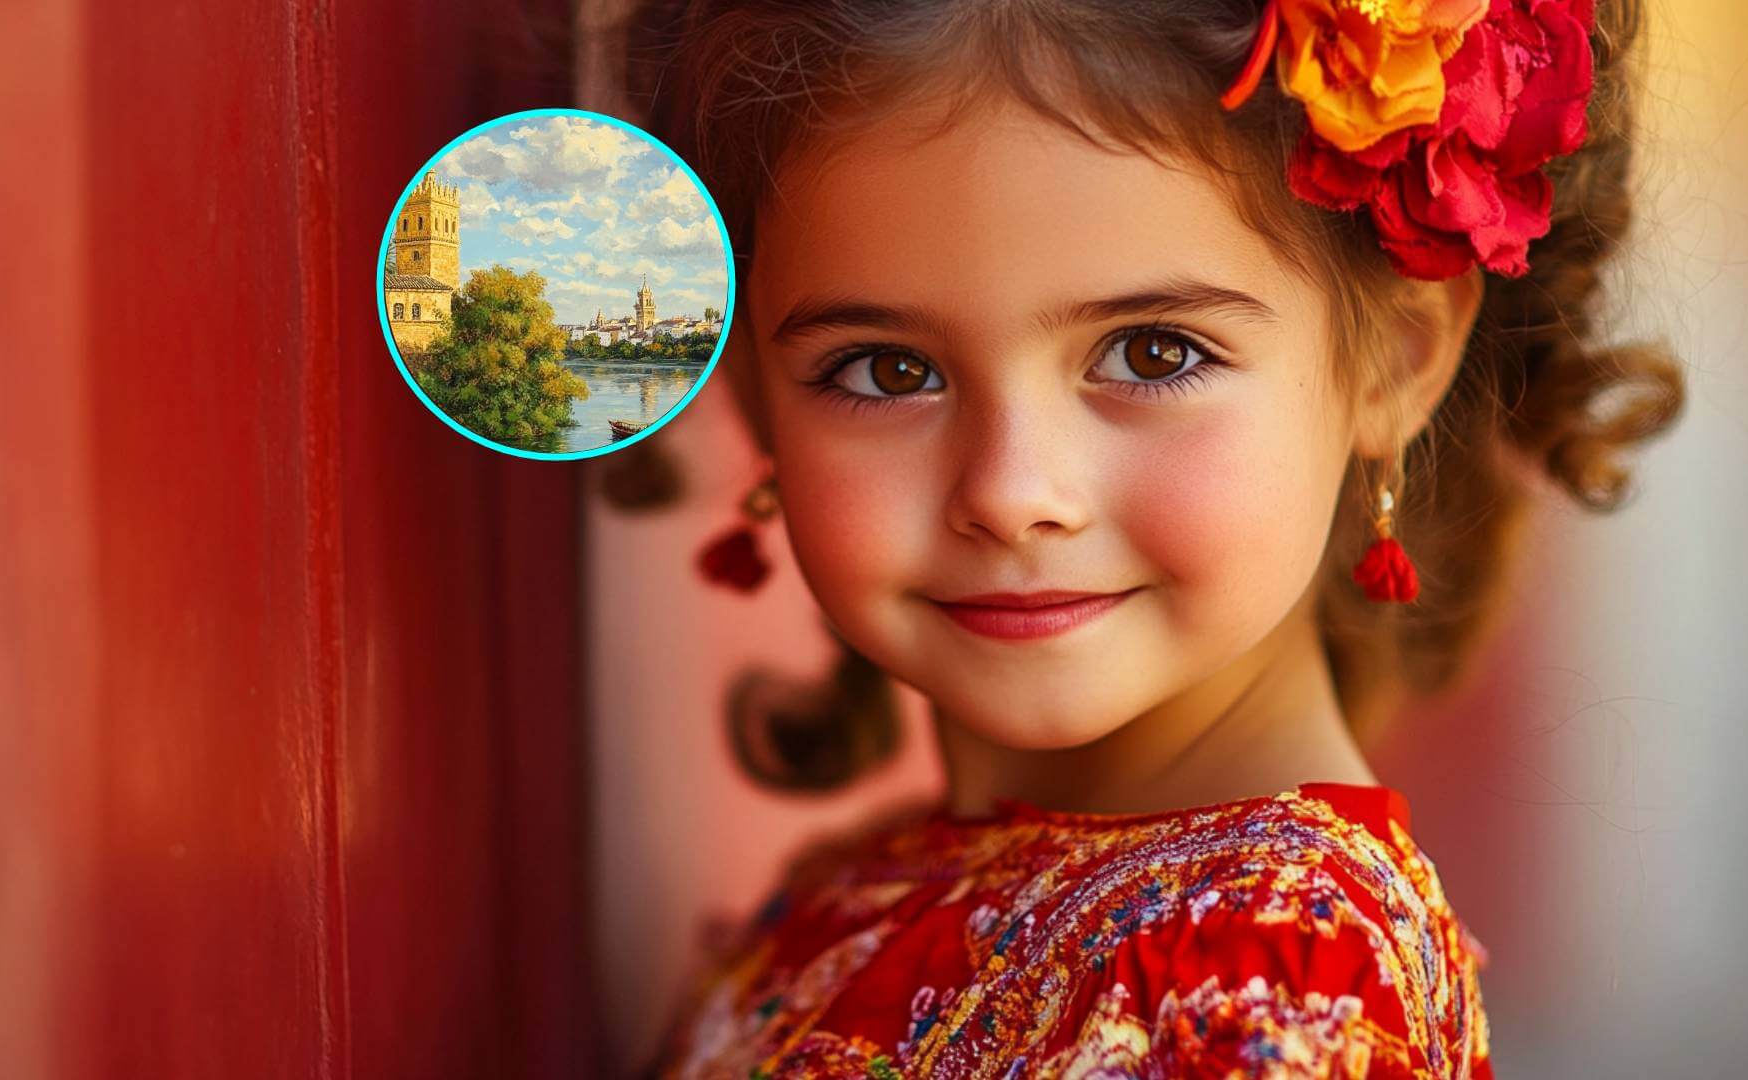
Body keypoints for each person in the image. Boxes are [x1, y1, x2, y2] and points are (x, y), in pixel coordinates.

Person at [622, 0, 1684, 1074]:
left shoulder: (1280, 977)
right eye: (888, 371)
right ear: (751, 390)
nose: (1011, 493)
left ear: (1393, 360)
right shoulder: (845, 892)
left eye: (1152, 354)